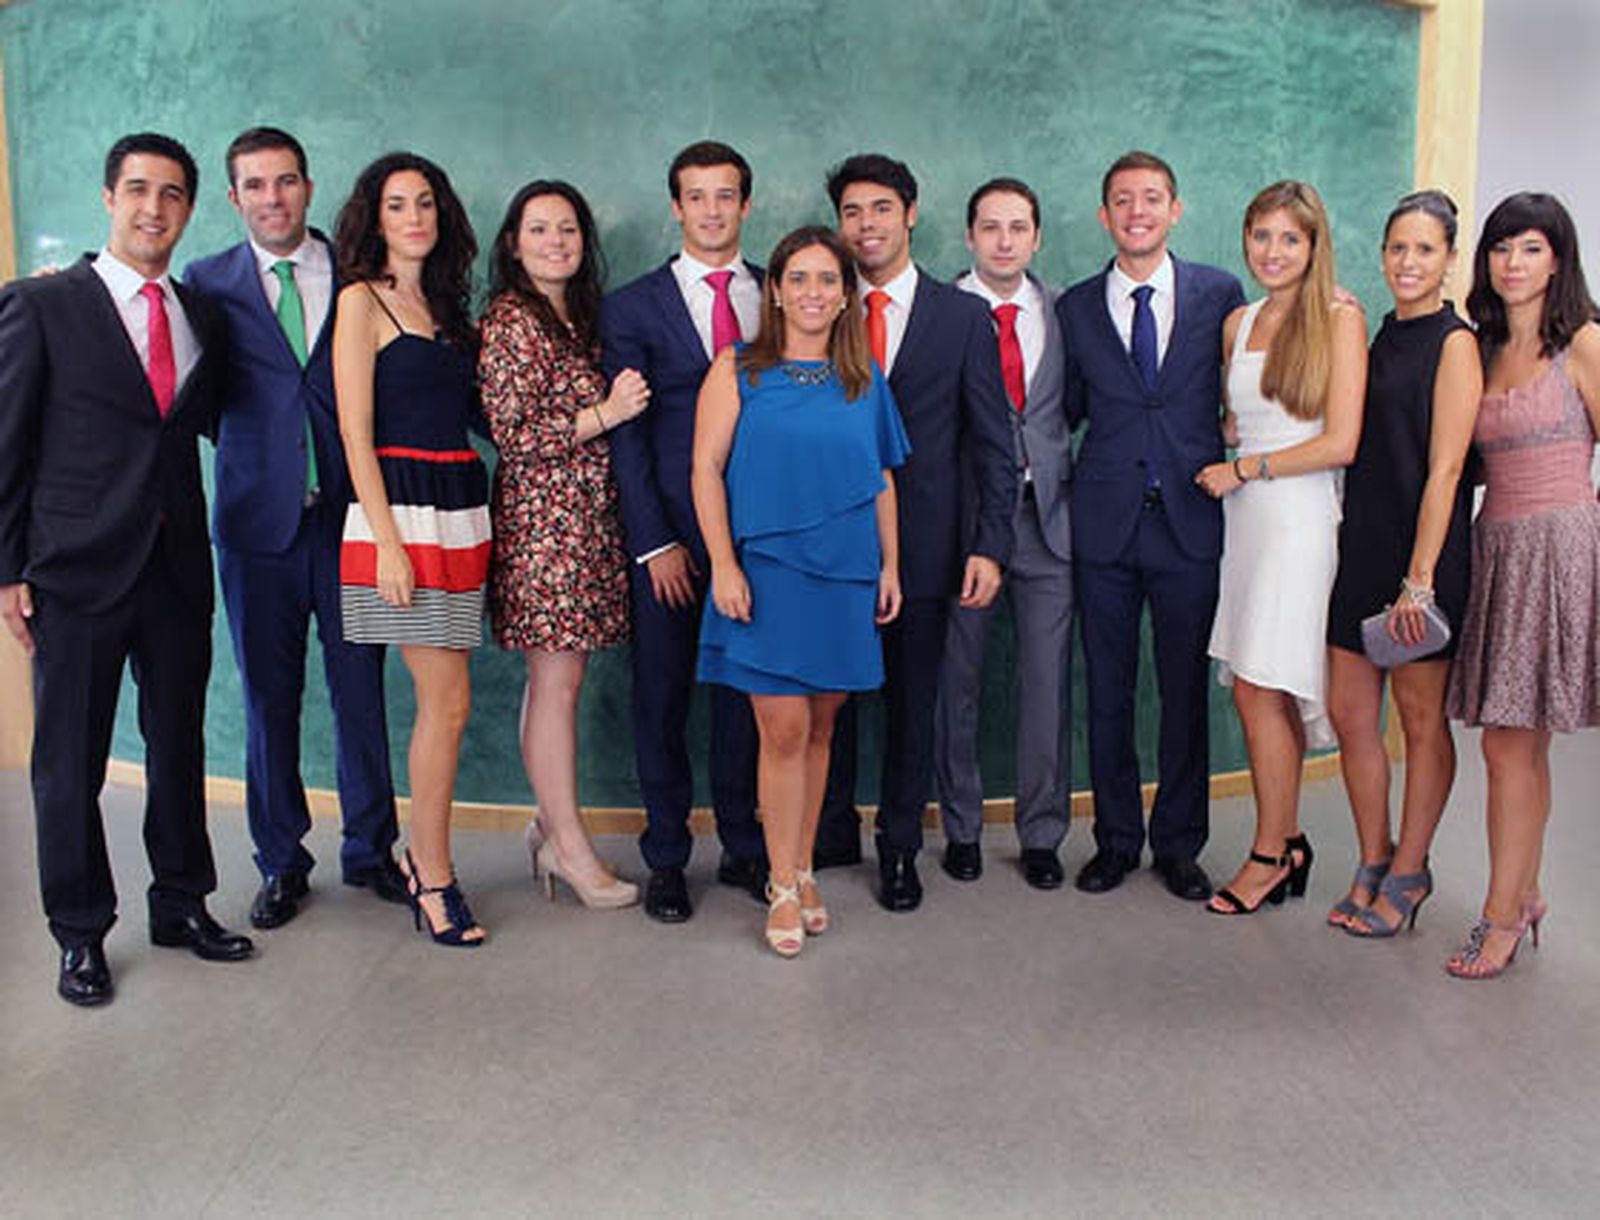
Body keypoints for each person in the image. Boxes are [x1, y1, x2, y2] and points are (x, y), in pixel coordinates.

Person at [0, 132, 253, 1006]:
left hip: (177, 563)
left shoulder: (200, 315)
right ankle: (79, 933)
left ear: (189, 208)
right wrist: (7, 570)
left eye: (173, 194)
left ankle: (182, 902)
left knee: (179, 743)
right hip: (73, 569)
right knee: (69, 761)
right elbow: (7, 446)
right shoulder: (41, 306)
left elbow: (203, 423)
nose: (155, 208)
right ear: (109, 198)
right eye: (139, 190)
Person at [185, 127, 406, 932]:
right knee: (269, 699)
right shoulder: (204, 283)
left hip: (353, 520)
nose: (272, 197)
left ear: (309, 188)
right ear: (234, 196)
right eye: (255, 184)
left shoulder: (360, 273)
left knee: (362, 694)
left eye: (285, 181)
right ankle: (281, 862)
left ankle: (373, 850)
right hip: (256, 526)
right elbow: (200, 398)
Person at [693, 226, 910, 955]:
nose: (814, 293)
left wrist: (890, 567)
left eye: (828, 280)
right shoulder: (737, 371)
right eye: (800, 279)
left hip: (846, 574)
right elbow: (704, 470)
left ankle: (804, 864)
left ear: (846, 295)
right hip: (765, 577)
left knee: (821, 726)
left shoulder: (863, 377)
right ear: (777, 290)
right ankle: (780, 884)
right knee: (781, 729)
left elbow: (882, 478)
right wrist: (723, 564)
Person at [817, 153, 1016, 913]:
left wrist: (990, 544)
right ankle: (829, 829)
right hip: (828, 545)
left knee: (913, 702)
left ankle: (899, 844)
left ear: (910, 215)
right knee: (824, 694)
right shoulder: (816, 306)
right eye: (852, 212)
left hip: (932, 547)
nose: (865, 226)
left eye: (880, 209)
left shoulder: (961, 317)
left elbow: (995, 441)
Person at [1056, 151, 1246, 901]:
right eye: (1123, 200)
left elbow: (1253, 373)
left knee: (1182, 694)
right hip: (1103, 527)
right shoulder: (1073, 307)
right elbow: (1062, 410)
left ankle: (1178, 843)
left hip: (1192, 522)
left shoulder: (1220, 294)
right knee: (1106, 691)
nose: (1138, 210)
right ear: (1105, 216)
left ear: (1176, 209)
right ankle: (1115, 840)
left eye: (1153, 198)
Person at [601, 141, 764, 923]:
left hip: (756, 542)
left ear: (745, 205)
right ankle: (666, 854)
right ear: (676, 206)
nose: (710, 209)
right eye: (696, 196)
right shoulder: (632, 306)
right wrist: (653, 540)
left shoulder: (782, 295)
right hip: (668, 537)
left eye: (725, 195)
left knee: (743, 696)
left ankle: (741, 842)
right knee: (661, 697)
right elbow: (626, 438)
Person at [1195, 180, 1367, 914]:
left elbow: (1341, 441)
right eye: (1262, 236)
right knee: (1252, 690)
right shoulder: (1238, 323)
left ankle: (1267, 855)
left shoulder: (1339, 318)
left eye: (1289, 239)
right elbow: (1241, 417)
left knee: (1268, 686)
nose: (1273, 251)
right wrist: (1238, 447)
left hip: (1297, 520)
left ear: (1313, 244)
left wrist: (1245, 468)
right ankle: (1289, 839)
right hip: (1246, 524)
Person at [332, 152, 489, 947]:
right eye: (398, 205)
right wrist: (388, 543)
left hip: (461, 512)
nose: (415, 217)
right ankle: (432, 875)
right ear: (376, 218)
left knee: (448, 703)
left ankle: (422, 858)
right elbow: (355, 433)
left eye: (426, 202)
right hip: (403, 516)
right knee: (449, 701)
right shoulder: (361, 301)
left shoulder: (449, 307)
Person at [479, 180, 649, 910]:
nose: (557, 241)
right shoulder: (511, 321)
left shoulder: (572, 317)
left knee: (553, 685)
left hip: (583, 524)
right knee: (558, 684)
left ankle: (552, 828)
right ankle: (571, 849)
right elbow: (512, 437)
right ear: (514, 243)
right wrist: (604, 413)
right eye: (540, 229)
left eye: (569, 229)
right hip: (544, 527)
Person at [1444, 192, 1600, 978]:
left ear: (1559, 261)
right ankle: (1527, 890)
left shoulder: (1586, 345)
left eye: (1530, 248)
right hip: (1497, 546)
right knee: (1518, 748)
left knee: (1509, 746)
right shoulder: (1480, 345)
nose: (1512, 263)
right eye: (1502, 248)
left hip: (1561, 547)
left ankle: (1500, 917)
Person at [1324, 190, 1481, 937]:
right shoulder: (1375, 334)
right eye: (1397, 248)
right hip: (1360, 548)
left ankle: (1411, 870)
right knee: (1354, 716)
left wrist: (1419, 581)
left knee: (1420, 722)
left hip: (1424, 557)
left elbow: (1446, 471)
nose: (1408, 262)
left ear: (1450, 258)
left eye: (1424, 249)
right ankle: (1374, 854)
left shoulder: (1456, 343)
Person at [933, 177, 1075, 890]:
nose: (1004, 241)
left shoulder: (1063, 310)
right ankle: (960, 828)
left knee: (1046, 685)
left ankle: (1042, 832)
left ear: (1037, 237)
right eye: (990, 227)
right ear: (969, 236)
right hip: (964, 527)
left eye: (1018, 227)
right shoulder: (941, 313)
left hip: (1048, 523)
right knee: (956, 683)